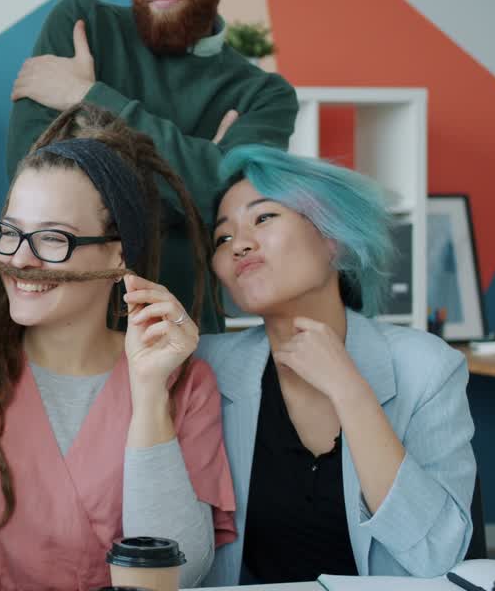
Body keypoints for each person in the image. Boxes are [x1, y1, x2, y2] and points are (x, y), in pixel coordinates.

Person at [0, 103, 236, 589]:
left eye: (53, 239)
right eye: (11, 233)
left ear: (118, 252)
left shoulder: (183, 381)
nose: (22, 259)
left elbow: (178, 572)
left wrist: (150, 393)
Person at [6, 0, 299, 333]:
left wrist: (88, 100)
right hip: (63, 339)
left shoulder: (265, 95)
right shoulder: (82, 26)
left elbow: (228, 214)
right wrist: (196, 174)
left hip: (186, 344)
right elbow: (34, 194)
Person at [197, 145, 476, 585]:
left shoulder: (427, 368)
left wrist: (350, 391)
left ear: (332, 237)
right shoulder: (204, 368)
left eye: (264, 217)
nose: (240, 245)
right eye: (222, 238)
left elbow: (436, 554)